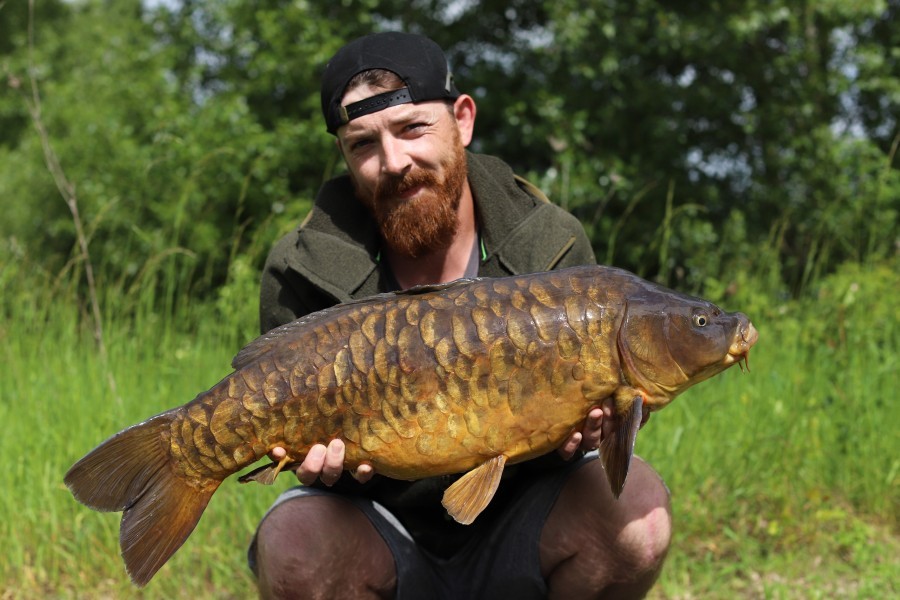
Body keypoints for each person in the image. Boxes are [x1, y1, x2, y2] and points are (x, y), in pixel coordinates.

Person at [249, 32, 671, 599]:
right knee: (294, 542)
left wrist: (591, 431)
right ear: (345, 156)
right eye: (363, 144)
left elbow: (596, 425)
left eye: (412, 128)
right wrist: (314, 459)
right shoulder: (300, 267)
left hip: (523, 523)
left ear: (463, 120)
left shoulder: (550, 245)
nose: (393, 162)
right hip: (377, 532)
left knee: (639, 511)